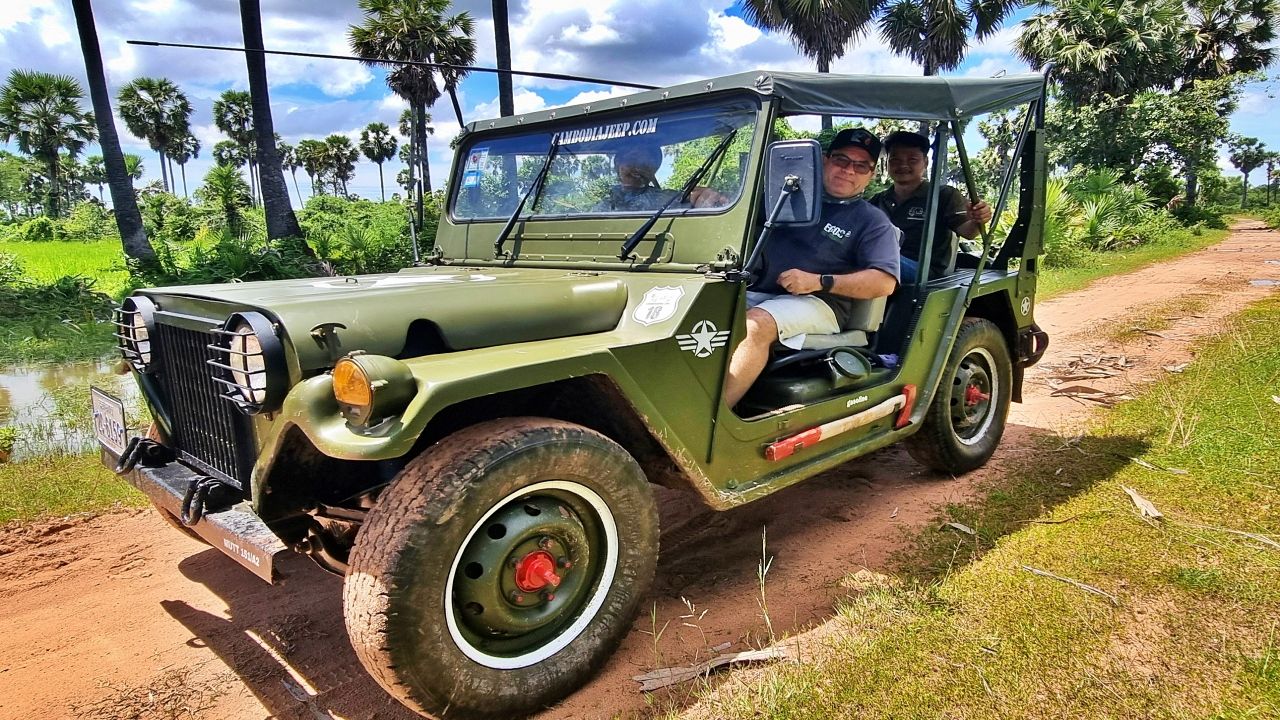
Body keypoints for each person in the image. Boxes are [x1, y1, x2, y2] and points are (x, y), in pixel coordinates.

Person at [723, 127, 901, 408]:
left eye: (860, 166)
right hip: (760, 289)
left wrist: (821, 281)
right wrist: (711, 198)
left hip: (821, 303)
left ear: (870, 174)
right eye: (841, 160)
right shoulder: (785, 197)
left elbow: (883, 282)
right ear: (825, 161)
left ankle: (713, 421)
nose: (848, 171)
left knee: (756, 325)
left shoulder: (872, 221)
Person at [870, 130, 993, 285]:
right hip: (884, 262)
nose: (903, 165)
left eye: (912, 160)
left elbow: (969, 232)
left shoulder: (942, 195)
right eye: (895, 160)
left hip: (924, 272)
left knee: (874, 259)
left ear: (925, 162)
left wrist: (978, 218)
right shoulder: (879, 200)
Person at [595, 143, 725, 211]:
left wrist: (704, 197)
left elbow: (687, 198)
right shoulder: (603, 205)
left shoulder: (663, 199)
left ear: (654, 170)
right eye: (632, 159)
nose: (638, 167)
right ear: (618, 164)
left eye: (646, 163)